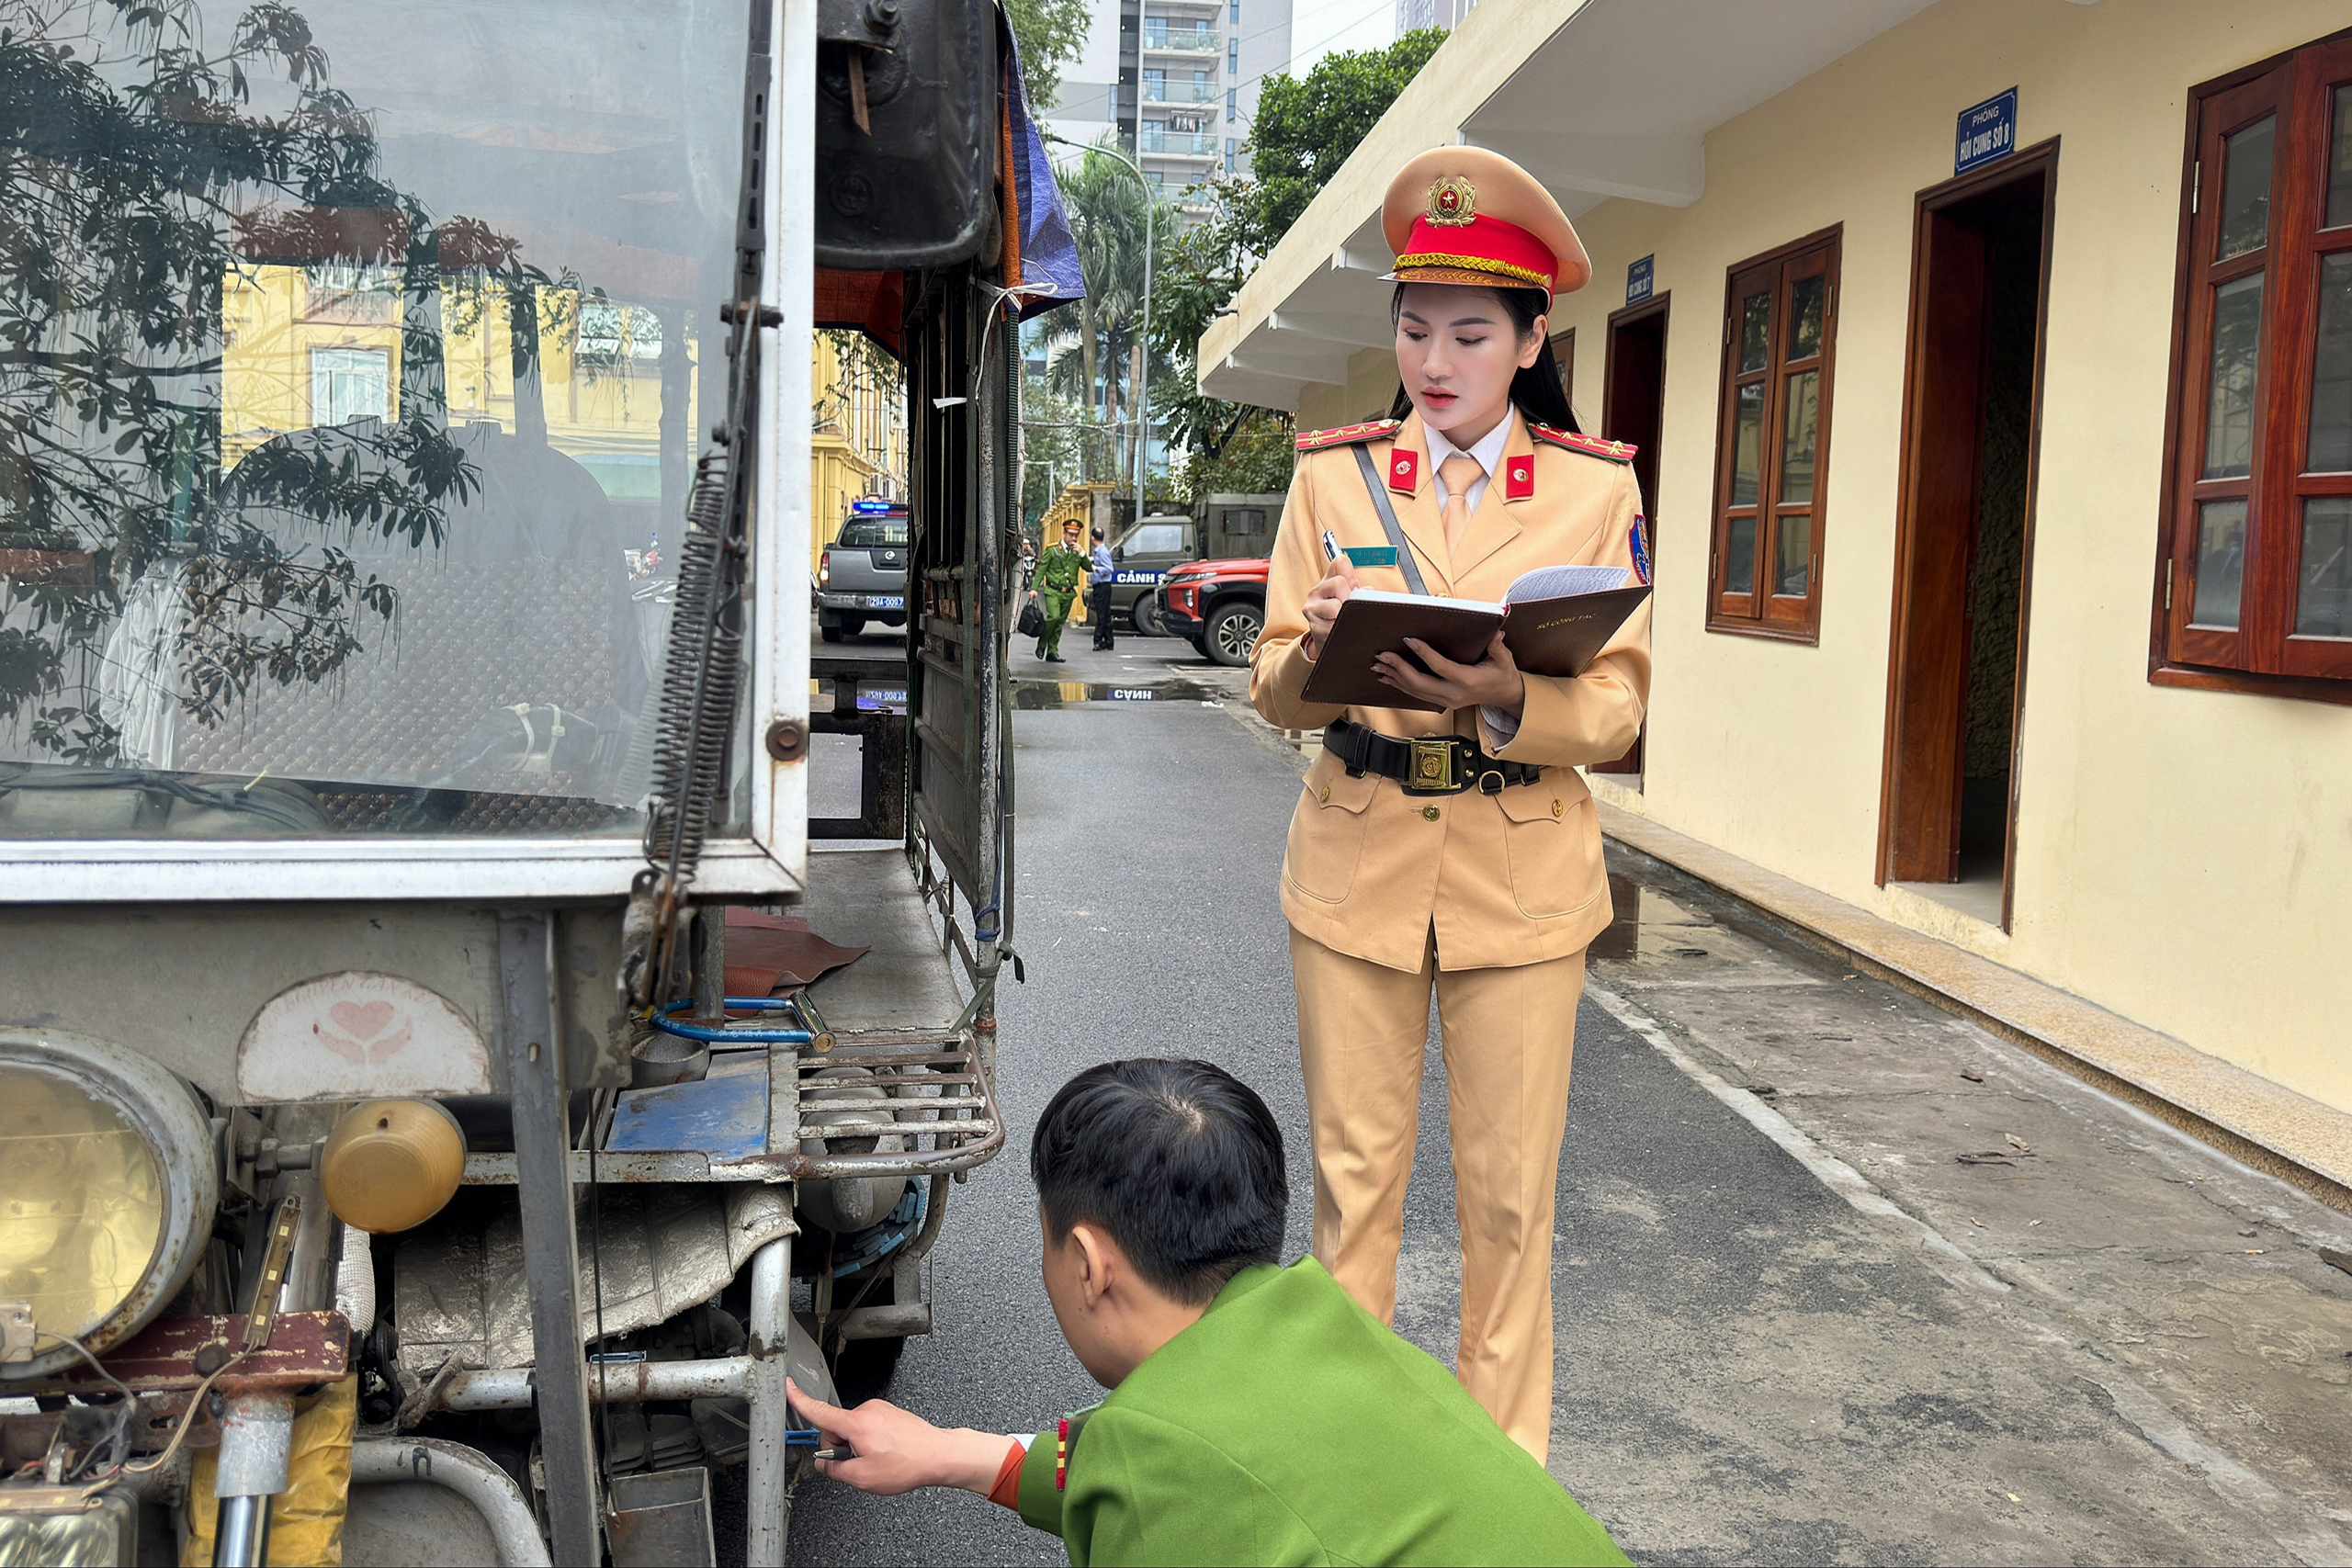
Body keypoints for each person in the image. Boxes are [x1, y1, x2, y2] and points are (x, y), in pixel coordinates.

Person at [1248, 147, 1652, 1463]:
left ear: (1533, 337)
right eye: (1416, 327)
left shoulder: (1595, 490)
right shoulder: (1336, 478)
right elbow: (1272, 688)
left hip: (1520, 871)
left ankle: (1495, 1496)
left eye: (1472, 331)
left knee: (1508, 1203)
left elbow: (1619, 709)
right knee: (1353, 1193)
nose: (1436, 358)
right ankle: (1348, 1474)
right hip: (1357, 857)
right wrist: (1314, 652)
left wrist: (1502, 695)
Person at [790, 1057, 1626, 1568]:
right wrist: (944, 1452)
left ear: (1088, 1264)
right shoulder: (1320, 1326)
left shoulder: (1164, 1468)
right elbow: (1152, 1461)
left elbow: (1155, 1471)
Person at [1035, 521, 1086, 662]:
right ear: (1064, 533)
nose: (1074, 538)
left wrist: (1082, 554)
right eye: (1071, 535)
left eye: (1076, 535)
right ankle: (1042, 643)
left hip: (1068, 593)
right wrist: (1034, 588)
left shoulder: (1077, 552)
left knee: (1059, 623)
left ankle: (1052, 651)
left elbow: (1088, 567)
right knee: (1053, 617)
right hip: (1052, 590)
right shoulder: (1053, 550)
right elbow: (1042, 570)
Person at [1088, 526, 1116, 650]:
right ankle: (1109, 641)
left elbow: (1109, 569)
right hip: (1101, 586)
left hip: (1102, 586)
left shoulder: (1102, 552)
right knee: (1105, 614)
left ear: (1092, 538)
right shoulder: (1099, 551)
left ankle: (1098, 640)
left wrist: (1097, 569)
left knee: (1101, 614)